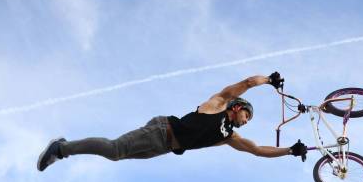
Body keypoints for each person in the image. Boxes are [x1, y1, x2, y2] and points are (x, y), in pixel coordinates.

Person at [37, 72, 308, 172]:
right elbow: (247, 83)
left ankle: (63, 148)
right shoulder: (218, 104)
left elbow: (258, 150)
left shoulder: (229, 137)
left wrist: (290, 151)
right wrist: (269, 81)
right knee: (114, 149)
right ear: (237, 108)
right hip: (161, 130)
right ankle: (61, 148)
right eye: (247, 116)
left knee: (116, 157)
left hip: (164, 147)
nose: (246, 122)